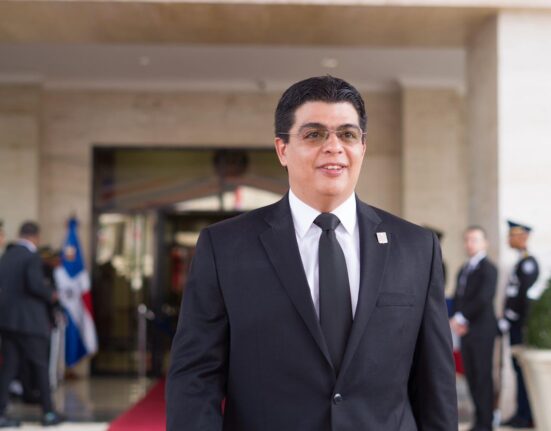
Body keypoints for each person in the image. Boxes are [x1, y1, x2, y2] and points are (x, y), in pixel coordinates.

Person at [166, 76, 458, 431]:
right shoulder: (225, 247)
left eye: (347, 134)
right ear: (282, 149)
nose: (333, 147)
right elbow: (195, 377)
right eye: (314, 134)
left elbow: (435, 384)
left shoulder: (416, 247)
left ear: (363, 147)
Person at [0, 222, 65, 427]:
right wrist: (51, 294)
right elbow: (35, 285)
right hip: (29, 323)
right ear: (35, 237)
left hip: (7, 322)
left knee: (8, 368)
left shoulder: (6, 256)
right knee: (40, 366)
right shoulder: (32, 257)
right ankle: (48, 413)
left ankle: (0, 413)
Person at [450, 226, 498, 431]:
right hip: (465, 331)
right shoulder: (464, 268)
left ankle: (486, 423)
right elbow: (458, 296)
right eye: (467, 240)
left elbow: (483, 298)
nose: (470, 244)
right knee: (470, 375)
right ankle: (478, 420)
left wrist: (461, 318)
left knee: (482, 376)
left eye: (475, 240)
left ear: (485, 243)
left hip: (481, 330)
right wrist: (456, 318)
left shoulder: (489, 269)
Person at [499, 221, 539, 429]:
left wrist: (510, 316)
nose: (509, 239)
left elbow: (524, 295)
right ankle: (521, 412)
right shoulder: (519, 262)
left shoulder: (528, 262)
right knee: (517, 369)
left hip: (520, 324)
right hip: (514, 323)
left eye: (512, 236)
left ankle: (526, 415)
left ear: (522, 237)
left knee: (522, 370)